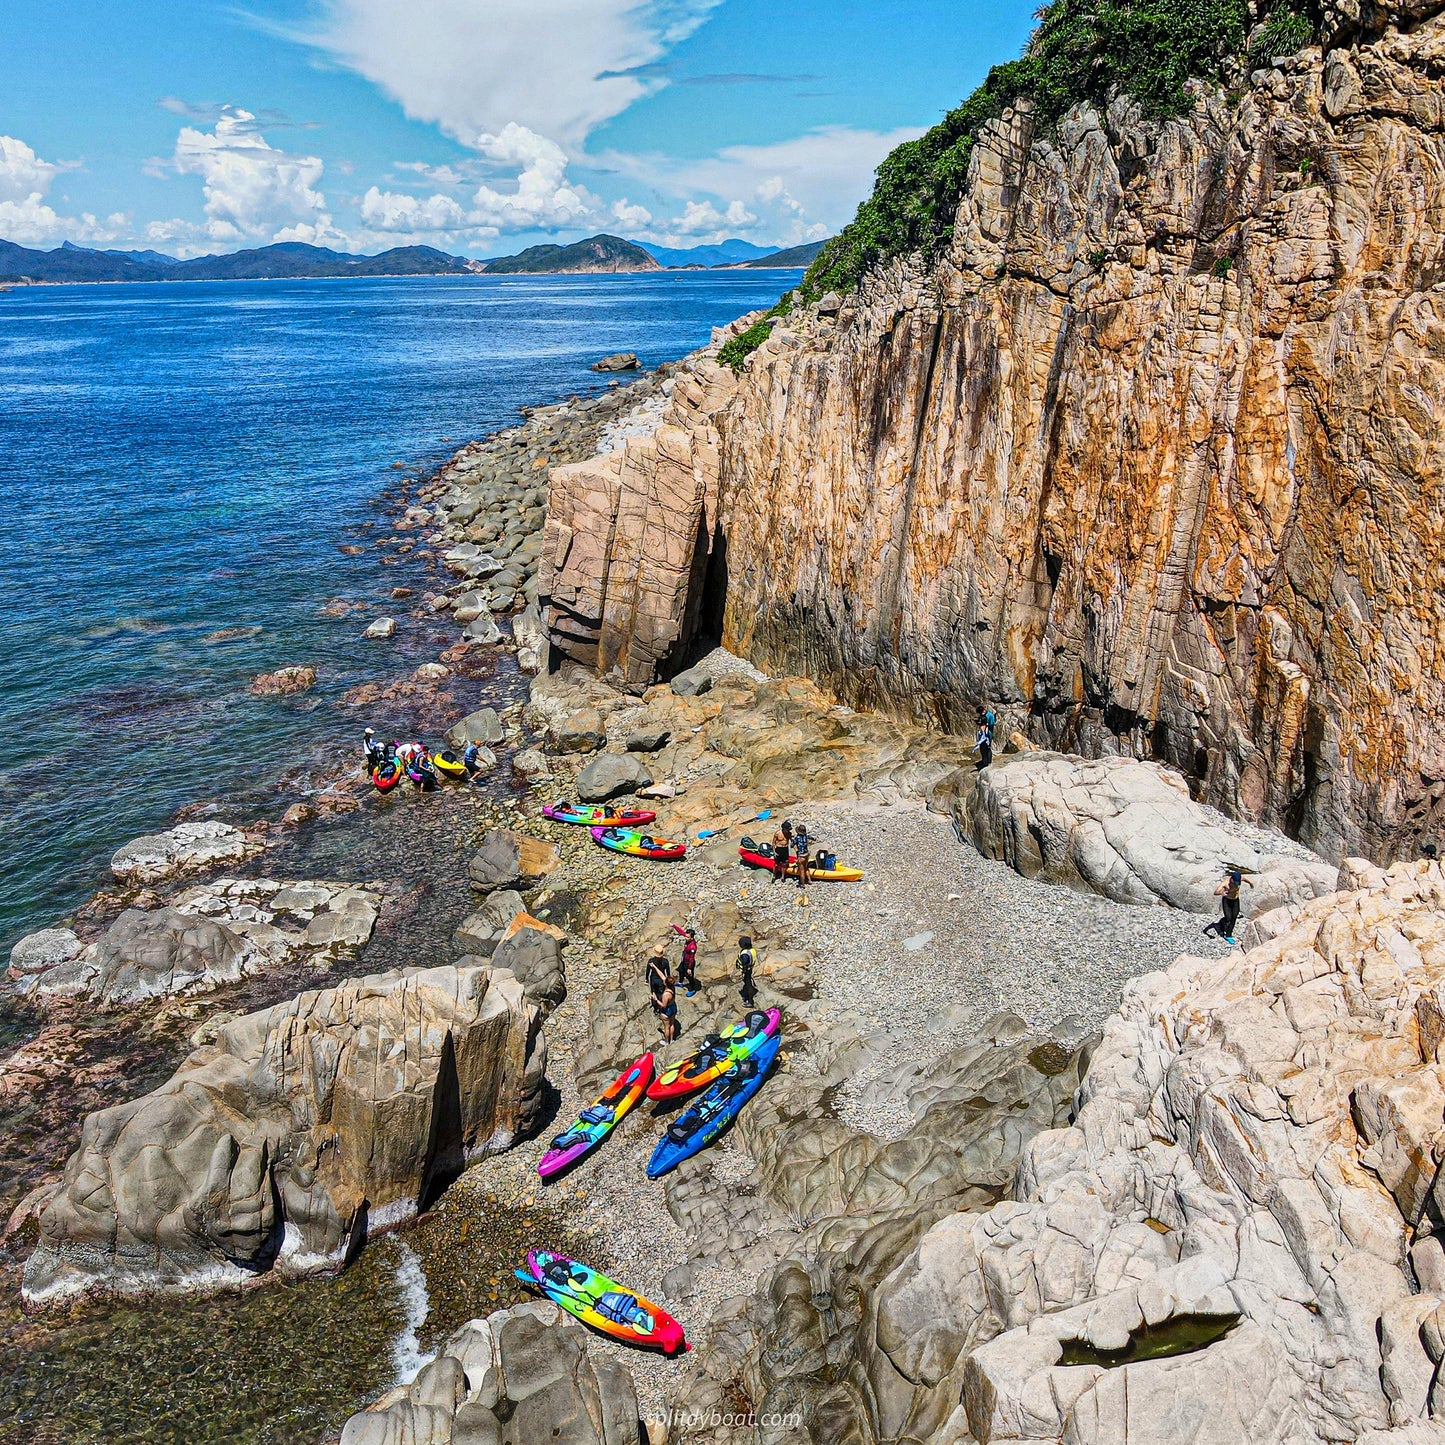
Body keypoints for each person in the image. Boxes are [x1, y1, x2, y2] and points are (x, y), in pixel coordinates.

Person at [1203, 867, 1253, 945]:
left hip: (1235, 900)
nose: (1236, 884)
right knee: (1228, 917)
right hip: (1227, 900)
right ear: (1231, 879)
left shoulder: (1239, 879)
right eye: (1235, 882)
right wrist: (1221, 893)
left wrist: (1250, 883)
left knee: (1234, 917)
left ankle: (1228, 935)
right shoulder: (1225, 883)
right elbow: (1215, 892)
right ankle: (1222, 923)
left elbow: (1245, 879)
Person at [646, 946, 677, 1044]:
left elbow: (663, 1005)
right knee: (672, 1024)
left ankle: (667, 1042)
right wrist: (655, 967)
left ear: (665, 983)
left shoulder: (665, 995)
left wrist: (655, 999)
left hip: (666, 1010)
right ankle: (672, 1039)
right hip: (673, 1007)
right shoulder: (672, 987)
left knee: (666, 1027)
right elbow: (663, 975)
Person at [737, 935, 758, 1007]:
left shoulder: (745, 954)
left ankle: (750, 1001)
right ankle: (746, 996)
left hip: (747, 971)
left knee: (748, 984)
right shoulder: (752, 950)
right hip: (751, 968)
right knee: (747, 984)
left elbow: (745, 963)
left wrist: (743, 971)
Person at [678, 927, 699, 997]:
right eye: (685, 936)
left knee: (689, 976)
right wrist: (673, 925)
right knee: (680, 970)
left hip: (689, 962)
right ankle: (680, 983)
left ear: (692, 938)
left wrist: (689, 968)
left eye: (687, 937)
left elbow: (692, 958)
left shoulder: (692, 947)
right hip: (684, 960)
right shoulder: (687, 938)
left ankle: (692, 989)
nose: (685, 938)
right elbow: (681, 932)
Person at [792, 820, 811, 895]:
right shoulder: (806, 836)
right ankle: (809, 880)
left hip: (801, 856)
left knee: (802, 870)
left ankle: (802, 884)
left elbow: (792, 845)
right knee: (806, 868)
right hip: (806, 855)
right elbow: (812, 838)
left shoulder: (797, 838)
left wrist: (792, 839)